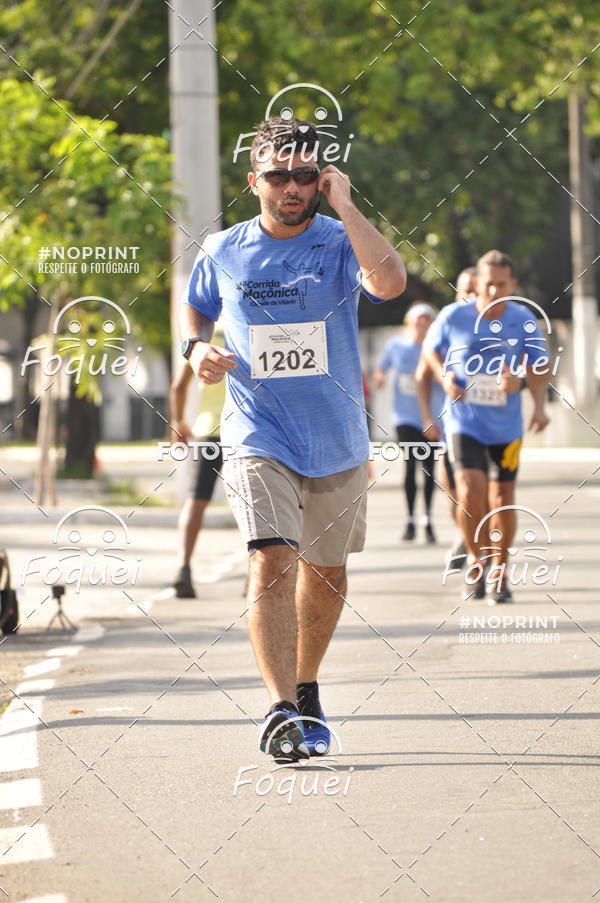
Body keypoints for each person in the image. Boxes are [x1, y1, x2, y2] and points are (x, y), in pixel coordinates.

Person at [179, 117, 406, 760]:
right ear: (254, 180)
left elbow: (389, 284)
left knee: (326, 573)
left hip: (335, 436)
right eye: (278, 175)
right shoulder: (224, 249)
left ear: (321, 179)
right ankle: (280, 709)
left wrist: (348, 204)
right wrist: (196, 347)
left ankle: (307, 688)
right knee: (272, 558)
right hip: (258, 429)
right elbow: (195, 305)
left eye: (305, 175)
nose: (291, 187)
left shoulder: (340, 243)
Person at [422, 250, 550, 604]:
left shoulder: (524, 319)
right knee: (469, 489)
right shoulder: (453, 315)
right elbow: (430, 352)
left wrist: (521, 383)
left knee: (503, 501)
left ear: (513, 285)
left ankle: (500, 571)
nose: (494, 290)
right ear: (477, 283)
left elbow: (544, 369)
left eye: (502, 284)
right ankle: (477, 563)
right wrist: (445, 375)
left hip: (506, 429)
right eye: (488, 283)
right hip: (464, 422)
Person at [416, 267, 478, 566]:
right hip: (454, 424)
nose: (473, 296)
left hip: (493, 427)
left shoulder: (502, 324)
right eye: (467, 290)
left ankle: (478, 549)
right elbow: (422, 374)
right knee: (452, 488)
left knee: (482, 490)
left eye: (477, 290)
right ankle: (464, 535)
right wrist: (428, 416)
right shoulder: (450, 322)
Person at [373, 302, 444, 543]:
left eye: (427, 321)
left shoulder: (436, 348)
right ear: (409, 323)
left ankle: (428, 519)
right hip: (405, 417)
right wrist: (380, 377)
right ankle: (411, 520)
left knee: (430, 469)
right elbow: (381, 368)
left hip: (433, 417)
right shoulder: (396, 345)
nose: (423, 325)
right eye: (418, 321)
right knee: (410, 463)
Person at [170, 325, 226, 598]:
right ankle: (257, 574)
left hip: (208, 432)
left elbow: (178, 386)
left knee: (196, 501)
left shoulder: (203, 341)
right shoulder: (249, 330)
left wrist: (179, 423)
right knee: (254, 504)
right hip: (246, 431)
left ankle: (183, 567)